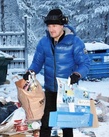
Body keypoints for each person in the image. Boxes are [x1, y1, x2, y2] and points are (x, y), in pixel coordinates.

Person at [23, 8, 90, 137]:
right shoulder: (44, 43)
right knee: (46, 123)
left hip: (67, 90)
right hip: (50, 90)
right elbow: (37, 62)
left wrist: (77, 74)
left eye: (54, 26)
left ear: (62, 26)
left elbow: (85, 64)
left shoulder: (75, 42)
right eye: (49, 26)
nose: (51, 29)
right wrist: (30, 71)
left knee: (66, 125)